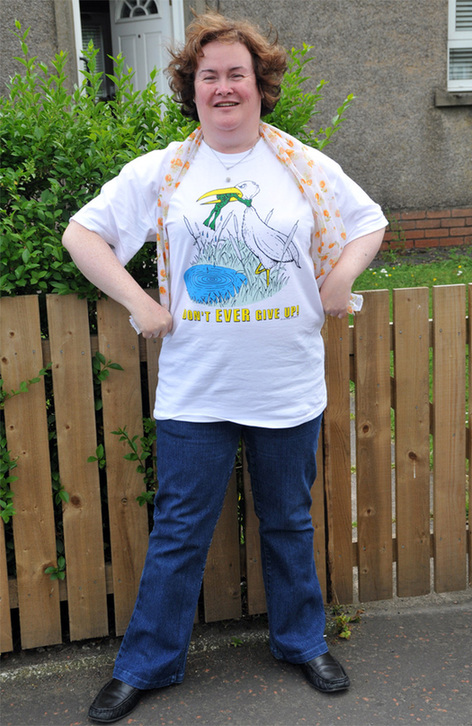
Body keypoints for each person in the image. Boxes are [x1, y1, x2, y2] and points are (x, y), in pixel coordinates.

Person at [63, 12, 387, 724]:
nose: (223, 87)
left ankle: (302, 643)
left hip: (287, 386)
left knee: (288, 522)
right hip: (196, 390)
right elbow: (81, 234)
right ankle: (145, 665)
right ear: (193, 88)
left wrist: (340, 279)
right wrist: (139, 302)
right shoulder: (164, 171)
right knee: (180, 530)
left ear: (260, 84)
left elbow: (369, 222)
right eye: (208, 75)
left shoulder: (302, 165)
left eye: (237, 73)